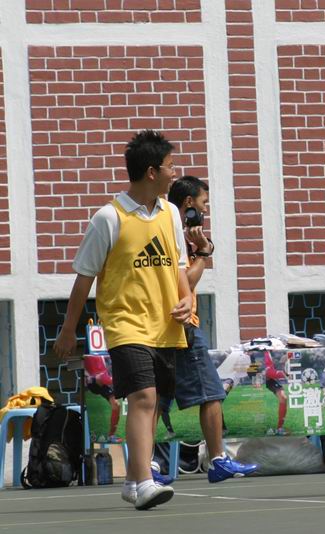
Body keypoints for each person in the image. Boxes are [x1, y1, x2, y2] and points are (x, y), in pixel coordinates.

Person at [54, 130, 191, 510]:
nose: (175, 173)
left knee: (154, 402)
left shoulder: (170, 213)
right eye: (170, 167)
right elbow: (84, 278)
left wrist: (188, 299)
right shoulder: (108, 218)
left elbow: (179, 264)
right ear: (152, 172)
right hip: (125, 324)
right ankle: (145, 481)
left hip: (165, 325)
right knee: (143, 397)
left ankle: (132, 480)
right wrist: (68, 330)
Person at [161, 175, 258, 481]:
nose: (205, 209)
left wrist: (202, 248)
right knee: (211, 393)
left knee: (155, 399)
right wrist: (203, 253)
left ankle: (147, 467)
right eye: (203, 203)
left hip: (162, 326)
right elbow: (185, 283)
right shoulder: (174, 232)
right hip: (183, 325)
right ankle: (217, 460)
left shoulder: (168, 229)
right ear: (189, 203)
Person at [84, 353, 122, 443]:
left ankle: (111, 436)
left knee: (116, 405)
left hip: (103, 378)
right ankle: (87, 437)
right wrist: (87, 376)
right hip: (91, 379)